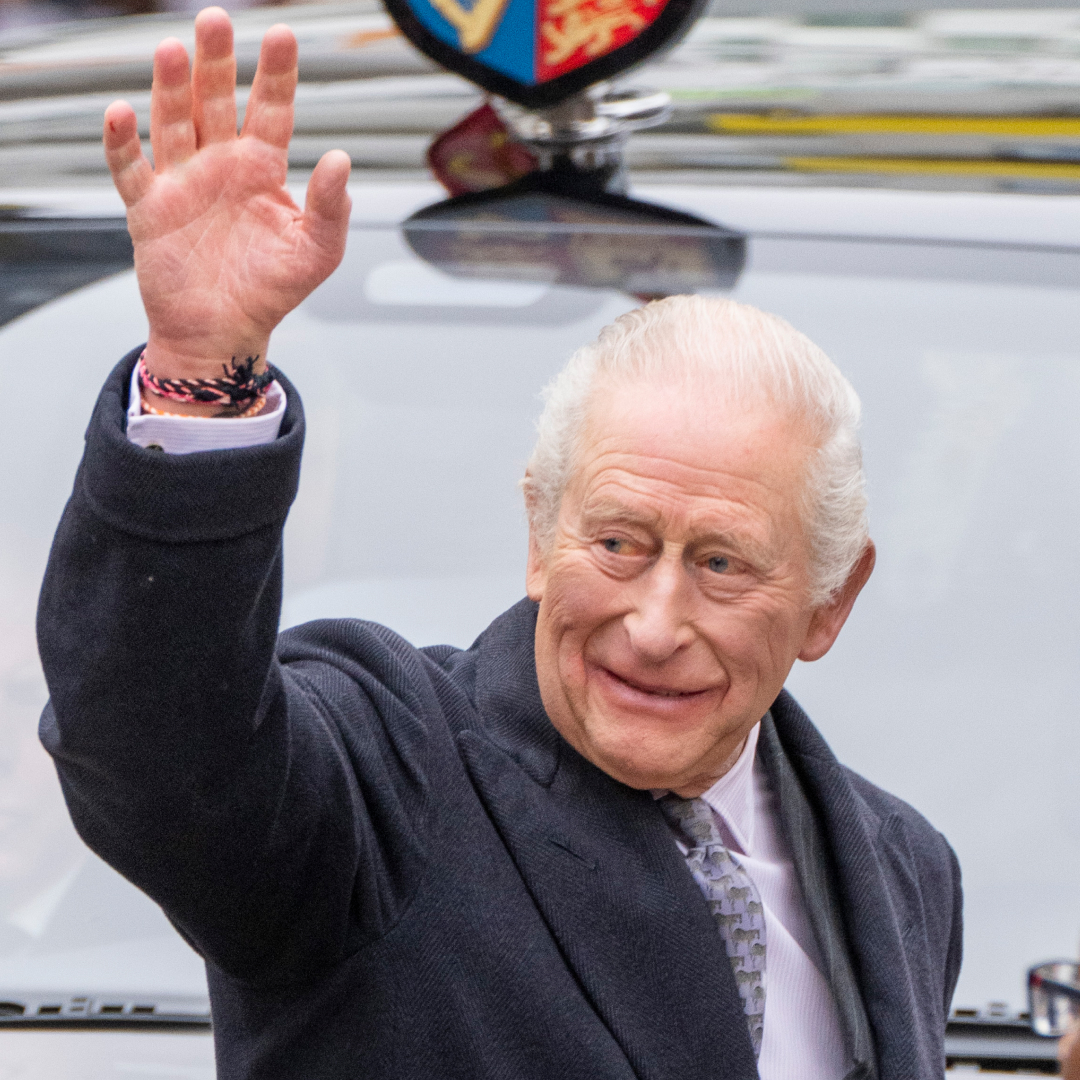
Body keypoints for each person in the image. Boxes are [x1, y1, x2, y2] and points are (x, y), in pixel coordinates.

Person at [36, 8, 962, 1080]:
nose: (654, 625)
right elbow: (162, 757)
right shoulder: (388, 786)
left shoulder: (902, 873)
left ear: (830, 601)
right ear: (539, 534)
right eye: (617, 544)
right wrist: (202, 375)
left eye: (722, 565)